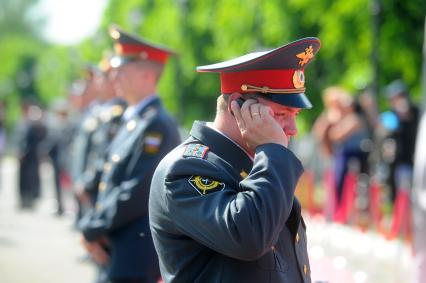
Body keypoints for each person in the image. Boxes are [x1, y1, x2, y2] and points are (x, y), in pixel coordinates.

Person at [149, 38, 320, 282]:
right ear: (236, 107)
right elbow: (249, 237)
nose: (292, 129)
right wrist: (271, 149)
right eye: (281, 114)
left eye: (295, 115)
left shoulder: (258, 163)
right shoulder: (186, 167)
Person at [79, 25, 181, 283]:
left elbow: (136, 191)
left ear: (147, 75)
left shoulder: (156, 125)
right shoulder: (134, 120)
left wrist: (93, 227)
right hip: (117, 242)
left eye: (121, 72)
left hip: (136, 252)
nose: (114, 80)